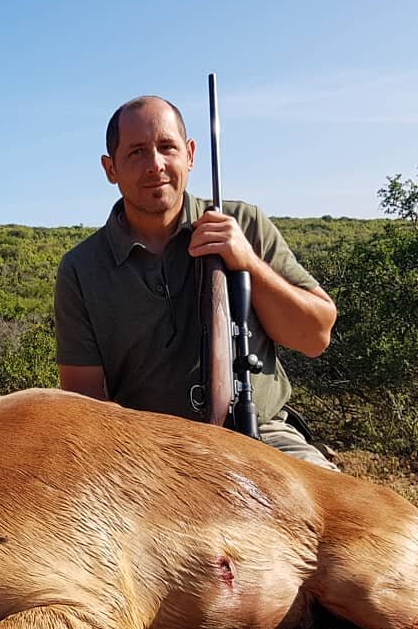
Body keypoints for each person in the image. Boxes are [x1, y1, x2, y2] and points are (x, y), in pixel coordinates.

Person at [54, 95, 339, 468]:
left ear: (190, 154)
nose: (155, 165)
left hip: (264, 434)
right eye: (136, 152)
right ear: (111, 168)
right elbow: (85, 403)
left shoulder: (244, 222)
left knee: (352, 520)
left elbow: (315, 335)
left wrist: (247, 262)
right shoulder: (81, 269)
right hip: (150, 455)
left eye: (166, 147)